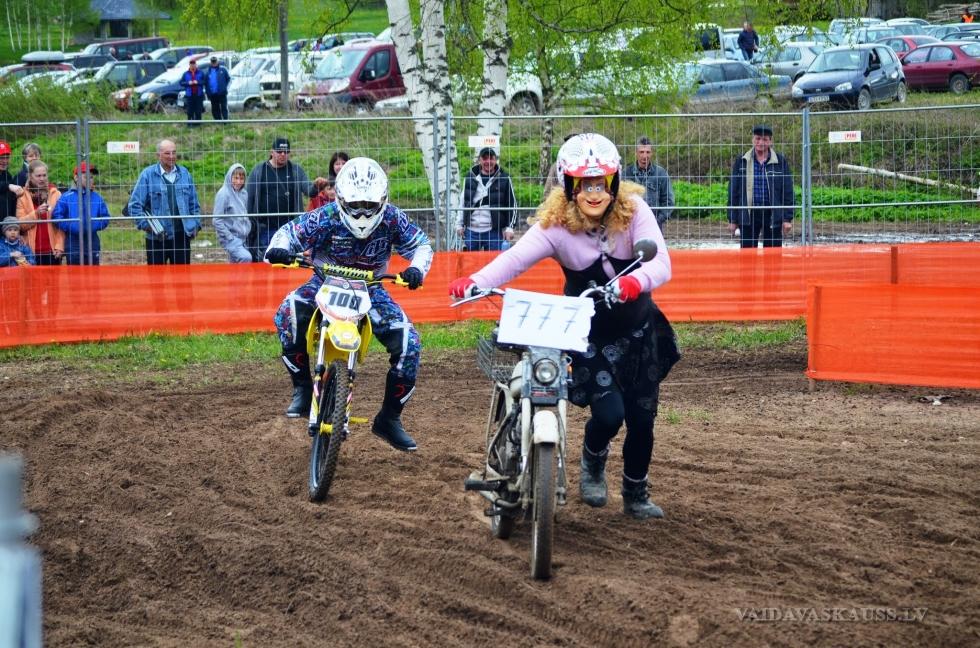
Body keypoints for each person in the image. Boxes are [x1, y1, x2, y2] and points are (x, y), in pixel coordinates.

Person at [449, 133, 680, 520]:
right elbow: (516, 258)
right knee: (609, 414)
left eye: (601, 183)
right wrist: (476, 281)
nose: (594, 192)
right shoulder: (556, 225)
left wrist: (635, 281)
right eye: (584, 184)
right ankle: (592, 459)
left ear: (614, 182)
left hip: (639, 331)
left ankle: (635, 493)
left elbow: (661, 263)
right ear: (569, 185)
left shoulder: (635, 210)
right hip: (587, 334)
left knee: (642, 420)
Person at [263, 157, 432, 452]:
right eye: (355, 205)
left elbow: (421, 244)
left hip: (372, 289)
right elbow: (288, 233)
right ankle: (302, 388)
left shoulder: (392, 218)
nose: (362, 212)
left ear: (382, 200)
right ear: (341, 199)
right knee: (288, 311)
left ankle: (389, 419)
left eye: (369, 205)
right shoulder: (326, 215)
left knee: (410, 343)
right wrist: (279, 249)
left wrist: (416, 269)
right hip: (323, 282)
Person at [128, 139, 202, 265]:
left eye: (174, 152)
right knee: (156, 277)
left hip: (182, 237)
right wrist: (147, 226)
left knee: (182, 276)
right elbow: (134, 205)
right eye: (167, 153)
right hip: (156, 239)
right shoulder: (147, 175)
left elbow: (194, 204)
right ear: (158, 155)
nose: (172, 156)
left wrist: (195, 225)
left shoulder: (185, 174)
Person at [246, 137, 321, 257]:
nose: (282, 154)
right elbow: (249, 199)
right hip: (265, 228)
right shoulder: (259, 171)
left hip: (290, 227)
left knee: (289, 260)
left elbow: (309, 191)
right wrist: (250, 224)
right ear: (271, 152)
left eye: (286, 152)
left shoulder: (296, 170)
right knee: (267, 259)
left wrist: (317, 186)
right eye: (279, 151)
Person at [727, 124, 795, 248]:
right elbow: (733, 191)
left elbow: (788, 190)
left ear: (770, 141)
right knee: (747, 254)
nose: (761, 142)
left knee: (773, 254)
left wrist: (787, 219)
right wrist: (733, 219)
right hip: (748, 214)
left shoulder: (780, 161)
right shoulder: (741, 161)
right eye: (758, 138)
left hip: (773, 213)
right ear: (753, 139)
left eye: (765, 139)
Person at [51, 163, 111, 266]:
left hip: (92, 241)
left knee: (93, 271)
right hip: (73, 242)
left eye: (91, 177)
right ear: (76, 178)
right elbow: (57, 216)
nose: (89, 180)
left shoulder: (97, 197)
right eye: (86, 177)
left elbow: (105, 217)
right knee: (75, 272)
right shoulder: (66, 197)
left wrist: (93, 225)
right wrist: (71, 226)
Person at [458, 147, 517, 251]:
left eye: (491, 158)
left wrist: (510, 228)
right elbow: (463, 202)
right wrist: (459, 224)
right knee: (469, 261)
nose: (488, 162)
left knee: (495, 261)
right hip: (471, 231)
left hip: (494, 231)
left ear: (495, 160)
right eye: (485, 158)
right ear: (479, 160)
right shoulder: (469, 177)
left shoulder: (504, 178)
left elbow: (512, 205)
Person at [621, 136, 675, 230]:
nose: (645, 156)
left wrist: (657, 221)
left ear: (652, 153)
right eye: (641, 152)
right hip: (631, 227)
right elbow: (620, 200)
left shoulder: (661, 173)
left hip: (654, 226)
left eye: (648, 152)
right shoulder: (626, 173)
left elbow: (668, 201)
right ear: (636, 153)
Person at [16, 160, 63, 266]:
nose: (42, 179)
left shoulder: (56, 194)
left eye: (44, 175)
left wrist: (59, 245)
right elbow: (20, 225)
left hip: (52, 251)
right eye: (38, 176)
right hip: (30, 252)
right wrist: (36, 214)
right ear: (30, 176)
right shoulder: (22, 196)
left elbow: (62, 224)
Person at [213, 163, 252, 263]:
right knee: (246, 258)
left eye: (241, 178)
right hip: (230, 238)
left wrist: (248, 228)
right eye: (235, 178)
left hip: (243, 237)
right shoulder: (223, 194)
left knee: (235, 265)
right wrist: (229, 237)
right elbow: (216, 220)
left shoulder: (244, 193)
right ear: (229, 177)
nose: (238, 182)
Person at [0, 140, 25, 221]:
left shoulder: (7, 175)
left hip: (7, 222)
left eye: (7, 157)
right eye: (1, 158)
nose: (5, 161)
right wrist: (8, 186)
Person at [202, 56, 231, 121]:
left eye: (215, 61)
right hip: (213, 94)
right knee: (215, 108)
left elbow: (229, 79)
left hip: (222, 93)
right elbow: (205, 83)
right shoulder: (207, 72)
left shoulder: (223, 69)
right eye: (212, 62)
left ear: (217, 61)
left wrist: (226, 88)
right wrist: (207, 92)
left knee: (224, 107)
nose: (214, 63)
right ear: (211, 62)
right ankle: (218, 120)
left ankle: (226, 120)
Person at [180, 59, 206, 125]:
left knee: (198, 110)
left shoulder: (201, 72)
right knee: (190, 110)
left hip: (198, 94)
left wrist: (198, 82)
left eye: (194, 64)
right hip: (189, 95)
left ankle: (198, 124)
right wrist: (188, 83)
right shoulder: (185, 73)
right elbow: (181, 82)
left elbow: (205, 81)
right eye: (191, 64)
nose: (192, 65)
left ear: (196, 65)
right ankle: (189, 123)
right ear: (189, 65)